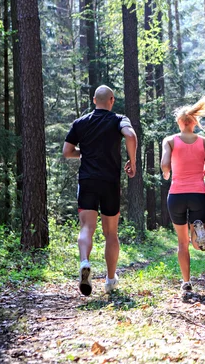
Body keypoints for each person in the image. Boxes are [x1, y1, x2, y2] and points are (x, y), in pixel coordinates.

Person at [62, 85, 137, 296]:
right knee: (111, 233)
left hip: (87, 180)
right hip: (110, 182)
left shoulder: (80, 122)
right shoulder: (119, 119)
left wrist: (83, 153)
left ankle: (85, 262)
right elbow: (130, 136)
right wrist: (132, 162)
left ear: (95, 100)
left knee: (87, 227)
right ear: (111, 100)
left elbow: (67, 152)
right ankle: (110, 280)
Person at [160, 95, 205, 293]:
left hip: (176, 195)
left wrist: (167, 173)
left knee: (182, 243)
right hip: (198, 194)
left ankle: (186, 282)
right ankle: (198, 230)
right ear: (195, 122)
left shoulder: (170, 141)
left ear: (179, 122)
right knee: (197, 245)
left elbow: (165, 165)